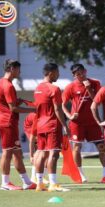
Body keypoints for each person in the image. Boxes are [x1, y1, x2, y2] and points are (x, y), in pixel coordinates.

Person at [0, 59, 36, 190]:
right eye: (18, 69)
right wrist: (34, 110)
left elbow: (8, 103)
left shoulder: (0, 82)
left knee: (17, 153)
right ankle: (5, 183)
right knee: (7, 152)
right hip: (7, 123)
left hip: (8, 122)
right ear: (12, 69)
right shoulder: (8, 85)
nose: (20, 72)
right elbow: (12, 109)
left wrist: (20, 101)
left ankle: (27, 182)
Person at [62, 63, 105, 182]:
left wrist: (88, 88)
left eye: (82, 73)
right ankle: (80, 174)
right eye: (78, 74)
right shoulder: (70, 87)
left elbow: (97, 101)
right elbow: (63, 105)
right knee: (77, 147)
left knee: (102, 147)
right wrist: (69, 115)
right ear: (74, 75)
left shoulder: (95, 83)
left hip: (92, 122)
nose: (81, 76)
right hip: (77, 123)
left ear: (85, 71)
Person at [33, 63, 70, 192]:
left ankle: (39, 183)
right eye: (57, 72)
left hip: (40, 125)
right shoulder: (54, 89)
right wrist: (65, 125)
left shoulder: (37, 88)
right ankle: (53, 184)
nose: (58, 75)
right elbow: (58, 109)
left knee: (42, 154)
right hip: (52, 125)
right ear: (51, 73)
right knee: (54, 154)